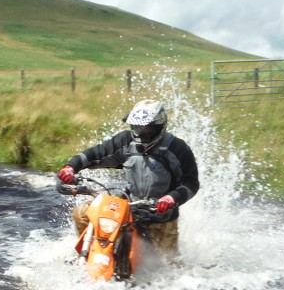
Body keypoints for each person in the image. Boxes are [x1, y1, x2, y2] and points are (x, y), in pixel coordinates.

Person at [56, 99, 199, 254]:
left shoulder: (178, 149)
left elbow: (191, 183)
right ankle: (87, 254)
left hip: (161, 218)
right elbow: (96, 154)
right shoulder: (125, 141)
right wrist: (71, 167)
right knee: (81, 214)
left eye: (147, 128)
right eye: (137, 127)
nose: (141, 132)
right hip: (127, 207)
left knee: (172, 267)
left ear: (160, 126)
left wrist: (171, 198)